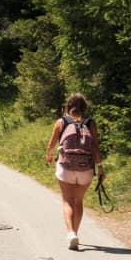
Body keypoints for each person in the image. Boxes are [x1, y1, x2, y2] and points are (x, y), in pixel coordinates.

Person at [44, 93, 103, 251]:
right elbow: (95, 148)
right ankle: (75, 232)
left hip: (66, 167)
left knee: (67, 201)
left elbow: (51, 145)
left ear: (67, 106)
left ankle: (71, 233)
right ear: (84, 107)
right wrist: (100, 167)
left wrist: (49, 155)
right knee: (78, 201)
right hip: (86, 169)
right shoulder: (90, 123)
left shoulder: (61, 122)